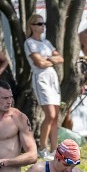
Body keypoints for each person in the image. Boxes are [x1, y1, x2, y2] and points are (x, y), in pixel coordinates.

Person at [25, 13, 63, 160]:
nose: (43, 26)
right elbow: (38, 63)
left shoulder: (46, 42)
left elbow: (60, 58)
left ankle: (55, 150)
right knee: (50, 114)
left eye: (43, 23)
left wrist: (46, 59)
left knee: (56, 116)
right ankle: (43, 147)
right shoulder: (29, 42)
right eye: (39, 24)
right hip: (41, 78)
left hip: (52, 77)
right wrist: (49, 60)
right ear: (32, 26)